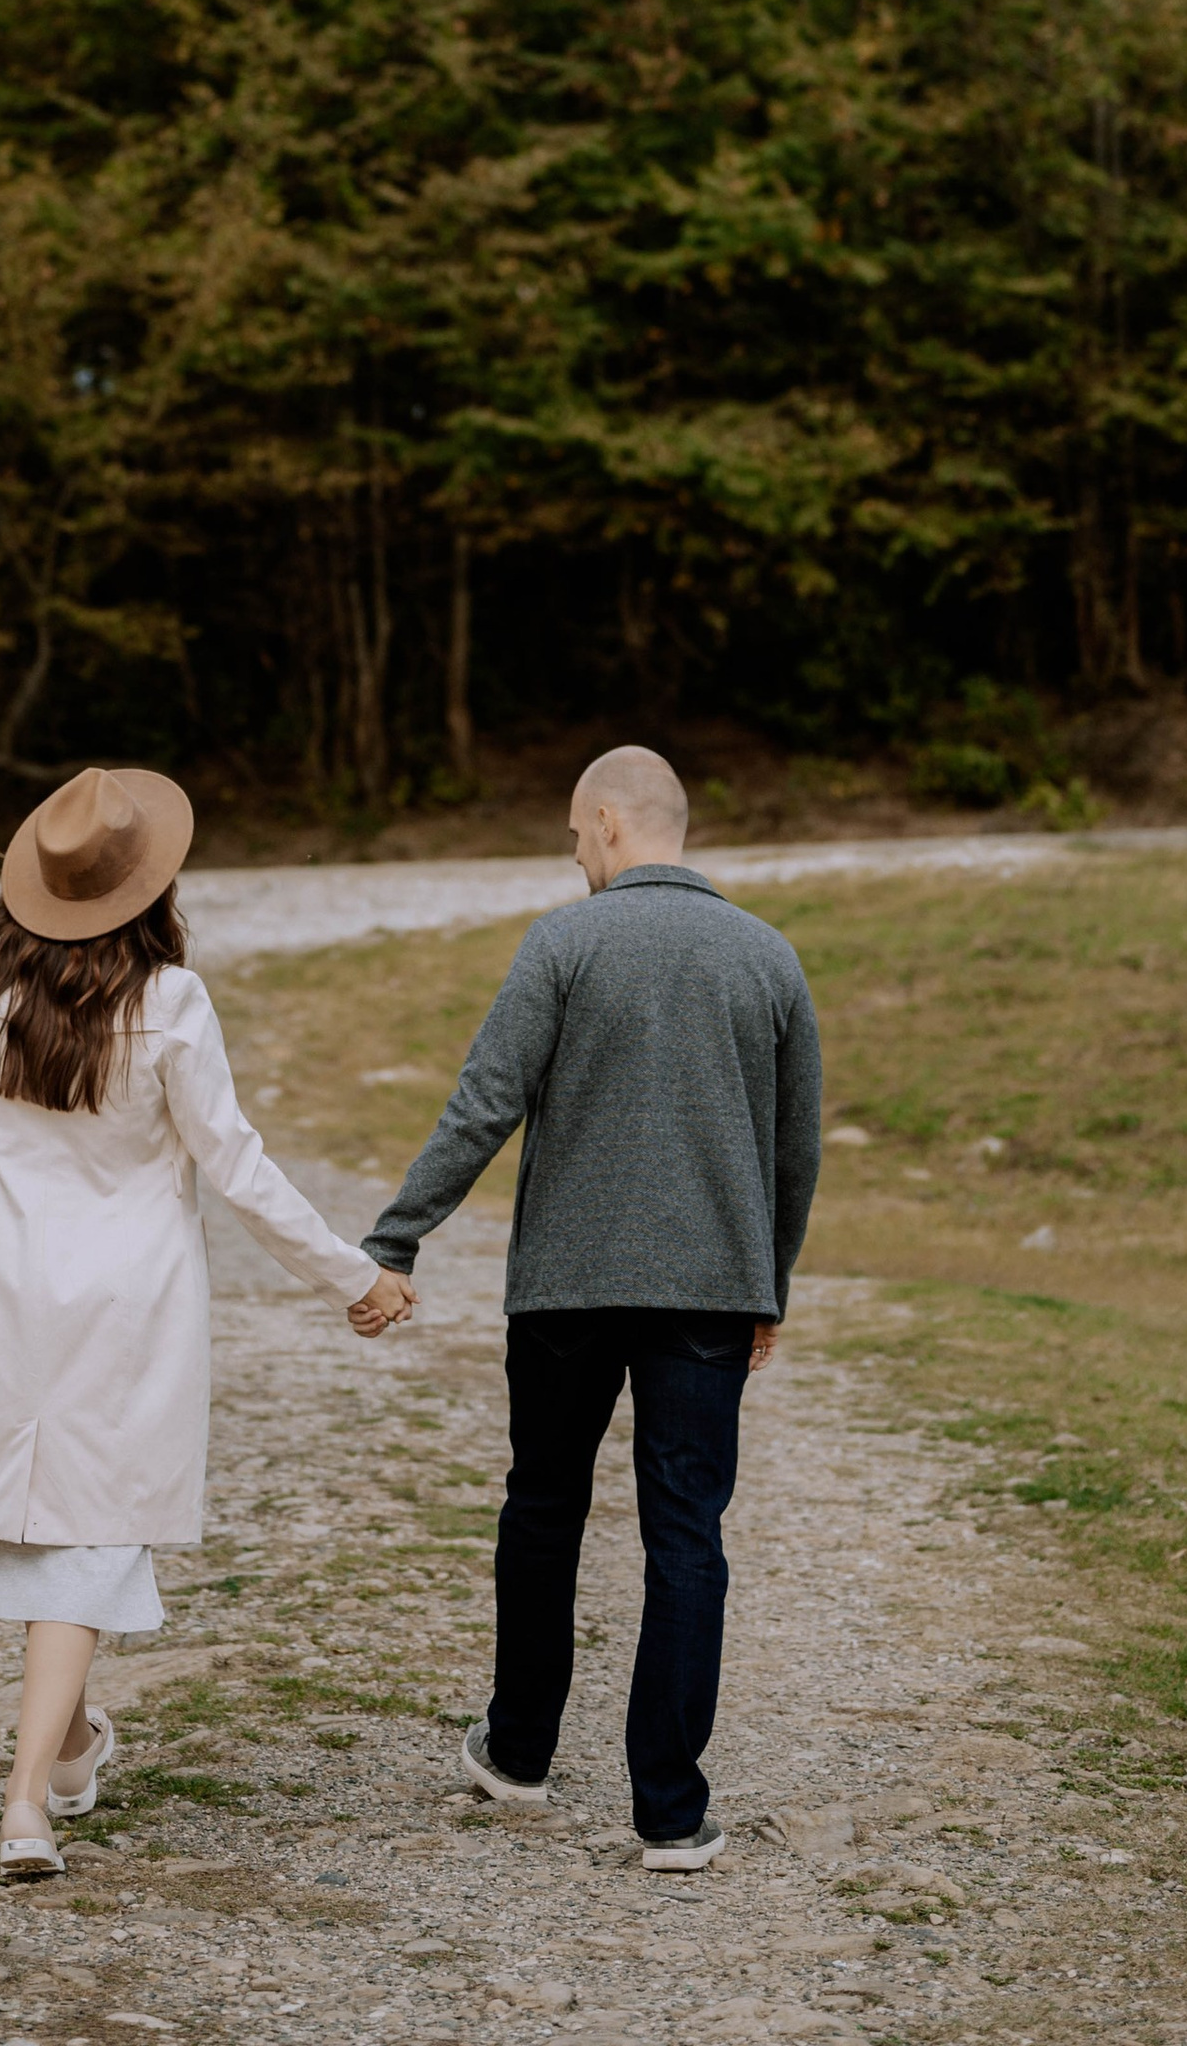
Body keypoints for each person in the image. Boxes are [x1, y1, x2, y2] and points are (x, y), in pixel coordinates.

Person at [0, 766, 414, 1876]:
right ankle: (21, 1800)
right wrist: (351, 1274)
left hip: (3, 1299)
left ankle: (73, 1744)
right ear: (148, 885)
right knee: (85, 1541)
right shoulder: (170, 1002)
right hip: (125, 1311)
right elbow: (236, 1165)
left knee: (63, 1542)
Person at [351, 743, 822, 1868]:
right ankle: (668, 1811)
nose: (573, 856)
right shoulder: (767, 957)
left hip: (565, 1286)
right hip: (710, 1288)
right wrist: (773, 1284)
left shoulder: (563, 943)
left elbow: (482, 1106)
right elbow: (792, 1149)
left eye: (573, 835)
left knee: (544, 1504)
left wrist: (394, 1235)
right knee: (685, 1535)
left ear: (610, 821)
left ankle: (516, 1750)